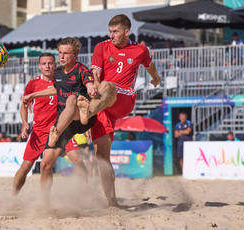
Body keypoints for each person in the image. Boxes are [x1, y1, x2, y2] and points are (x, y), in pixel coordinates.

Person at [78, 14, 160, 206]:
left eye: (115, 31)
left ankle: (85, 116)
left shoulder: (140, 50)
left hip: (124, 99)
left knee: (107, 86)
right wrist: (96, 92)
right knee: (102, 157)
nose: (111, 35)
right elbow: (95, 74)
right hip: (103, 106)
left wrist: (156, 79)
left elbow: (150, 66)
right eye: (110, 31)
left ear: (126, 31)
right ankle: (112, 202)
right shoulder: (101, 47)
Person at [13, 52, 87, 196]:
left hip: (61, 129)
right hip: (40, 131)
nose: (47, 66)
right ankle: (13, 196)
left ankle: (85, 195)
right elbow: (24, 105)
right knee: (26, 167)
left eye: (50, 63)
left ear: (55, 65)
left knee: (78, 160)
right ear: (39, 66)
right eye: (44, 64)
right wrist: (24, 123)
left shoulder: (62, 80)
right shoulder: (33, 83)